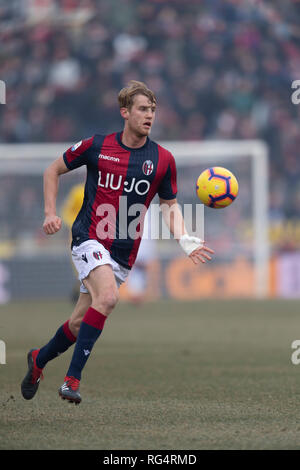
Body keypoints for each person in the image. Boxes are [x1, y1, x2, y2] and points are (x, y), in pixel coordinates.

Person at [21, 80, 214, 405]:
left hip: (124, 251)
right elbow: (52, 170)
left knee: (80, 320)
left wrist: (185, 239)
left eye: (152, 109)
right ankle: (71, 380)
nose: (149, 115)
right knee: (108, 297)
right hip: (88, 237)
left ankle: (38, 359)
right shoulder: (96, 146)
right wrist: (49, 213)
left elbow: (169, 205)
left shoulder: (163, 159)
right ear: (125, 112)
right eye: (142, 109)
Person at [61, 183, 85, 303]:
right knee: (80, 267)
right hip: (78, 234)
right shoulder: (78, 191)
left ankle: (78, 294)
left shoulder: (102, 189)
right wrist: (75, 223)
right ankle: (78, 294)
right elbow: (66, 211)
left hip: (96, 233)